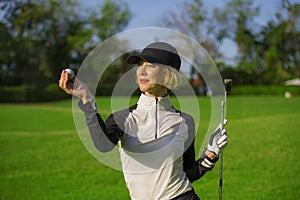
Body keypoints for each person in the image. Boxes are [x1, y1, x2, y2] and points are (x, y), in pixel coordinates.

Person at [59, 42, 228, 200]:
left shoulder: (185, 121)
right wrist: (86, 99)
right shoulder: (123, 117)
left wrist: (210, 156)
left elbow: (186, 173)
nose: (141, 71)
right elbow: (103, 145)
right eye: (140, 65)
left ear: (167, 74)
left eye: (150, 66)